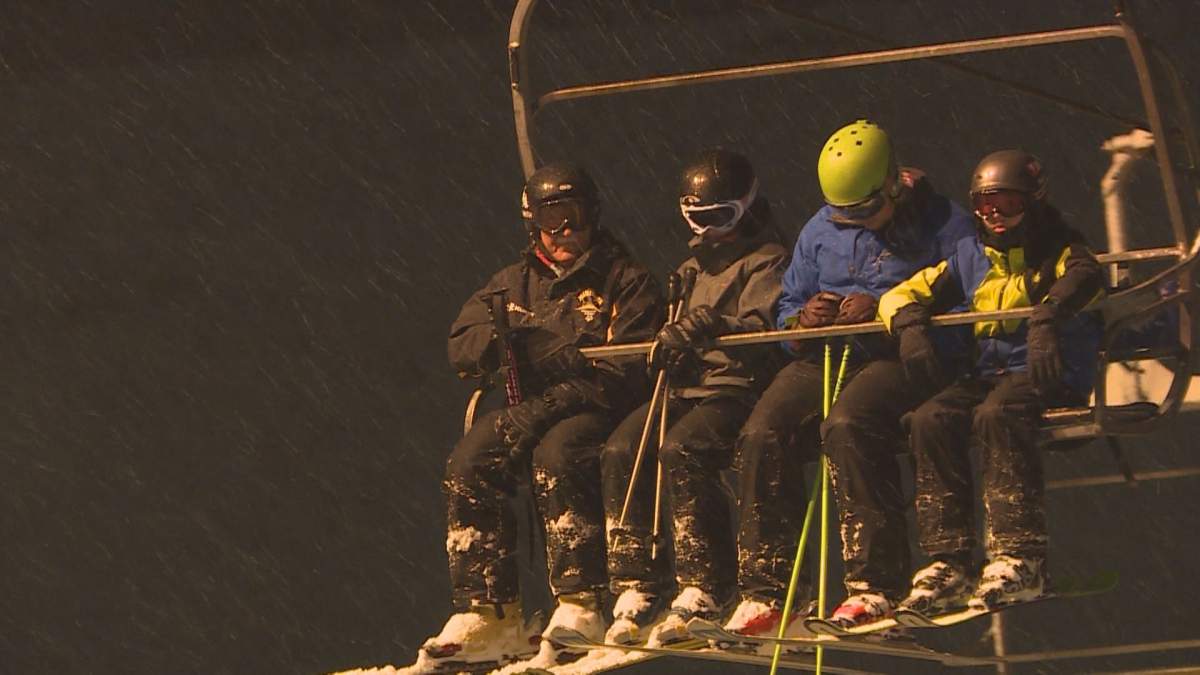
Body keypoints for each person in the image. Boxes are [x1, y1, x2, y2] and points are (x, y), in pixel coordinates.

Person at [725, 119, 977, 637]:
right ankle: (769, 589)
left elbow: (968, 297)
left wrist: (888, 312)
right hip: (826, 353)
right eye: (844, 214)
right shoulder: (821, 230)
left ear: (890, 183)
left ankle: (874, 582)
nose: (856, 222)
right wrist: (803, 322)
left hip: (895, 354)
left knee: (847, 425)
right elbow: (789, 305)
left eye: (865, 210)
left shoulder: (943, 223)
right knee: (760, 432)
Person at [415, 162, 664, 672]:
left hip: (598, 405)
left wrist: (555, 385)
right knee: (469, 462)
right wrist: (506, 339)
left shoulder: (624, 279)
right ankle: (488, 608)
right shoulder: (515, 283)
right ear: (535, 226)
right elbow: (462, 344)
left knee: (560, 453)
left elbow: (624, 370)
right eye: (554, 219)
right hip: (529, 405)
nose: (566, 231)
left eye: (574, 216)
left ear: (593, 216)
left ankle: (581, 599)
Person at [881, 150, 1104, 614]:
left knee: (997, 414)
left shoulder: (1060, 249)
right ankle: (951, 559)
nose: (994, 216)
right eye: (984, 206)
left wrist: (1048, 318)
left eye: (1006, 204)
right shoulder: (970, 257)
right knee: (930, 418)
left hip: (1047, 371)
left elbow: (1085, 277)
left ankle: (1020, 554)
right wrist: (907, 324)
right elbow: (904, 292)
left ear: (1032, 201)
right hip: (991, 373)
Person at [599, 149, 789, 646]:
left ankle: (708, 582)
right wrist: (666, 350)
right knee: (622, 447)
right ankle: (638, 582)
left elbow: (767, 332)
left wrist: (717, 328)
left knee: (683, 449)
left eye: (720, 218)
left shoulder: (766, 261)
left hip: (735, 389)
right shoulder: (688, 270)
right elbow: (669, 331)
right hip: (686, 386)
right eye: (696, 219)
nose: (709, 231)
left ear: (745, 209)